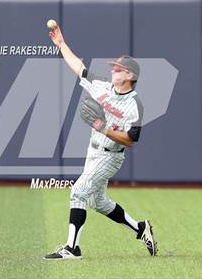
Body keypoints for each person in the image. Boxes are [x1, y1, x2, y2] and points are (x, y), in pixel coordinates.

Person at [44, 24, 157, 260]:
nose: (114, 70)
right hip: (92, 152)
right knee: (97, 201)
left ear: (130, 76)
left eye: (119, 68)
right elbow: (80, 69)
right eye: (114, 67)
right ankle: (140, 228)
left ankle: (72, 249)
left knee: (78, 192)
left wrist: (102, 127)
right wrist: (62, 45)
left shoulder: (135, 104)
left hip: (110, 155)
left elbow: (131, 140)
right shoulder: (104, 87)